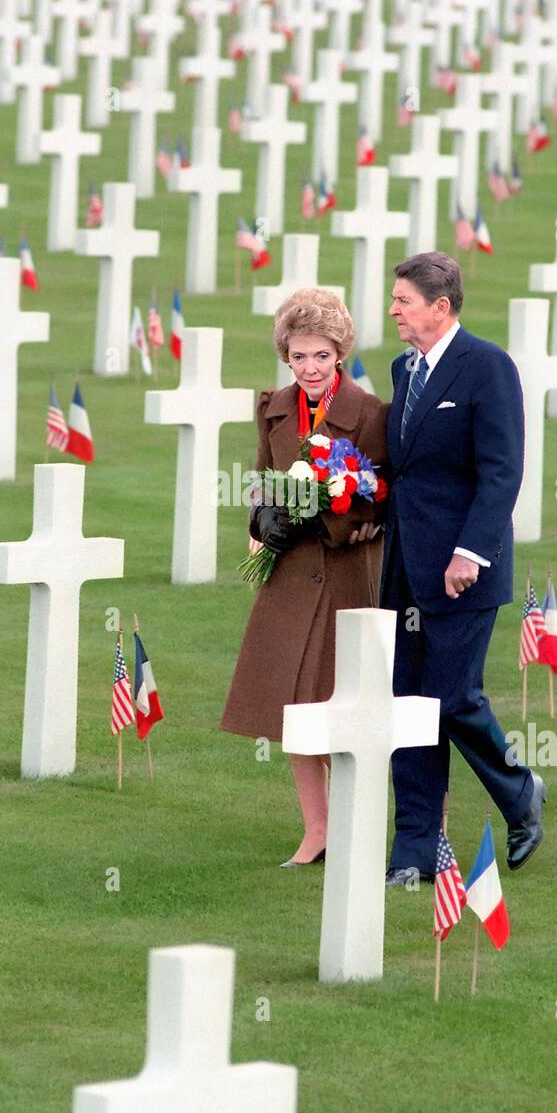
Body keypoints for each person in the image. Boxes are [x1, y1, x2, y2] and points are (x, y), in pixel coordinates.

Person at [380, 252, 546, 884]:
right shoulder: (405, 369)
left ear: (440, 306)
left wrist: (469, 553)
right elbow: (408, 468)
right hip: (404, 570)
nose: (394, 309)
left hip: (463, 571)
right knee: (408, 708)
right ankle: (413, 853)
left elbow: (502, 470)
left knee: (451, 700)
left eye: (404, 300)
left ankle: (519, 790)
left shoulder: (488, 368)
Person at [221, 288, 389, 866]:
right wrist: (263, 516)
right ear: (286, 357)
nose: (310, 368)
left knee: (334, 705)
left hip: (344, 577)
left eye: (321, 355)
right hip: (288, 576)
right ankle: (316, 830)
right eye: (298, 356)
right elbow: (263, 480)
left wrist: (330, 521)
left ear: (340, 352)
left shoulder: (369, 413)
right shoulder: (273, 407)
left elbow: (380, 496)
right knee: (289, 707)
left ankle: (350, 824)